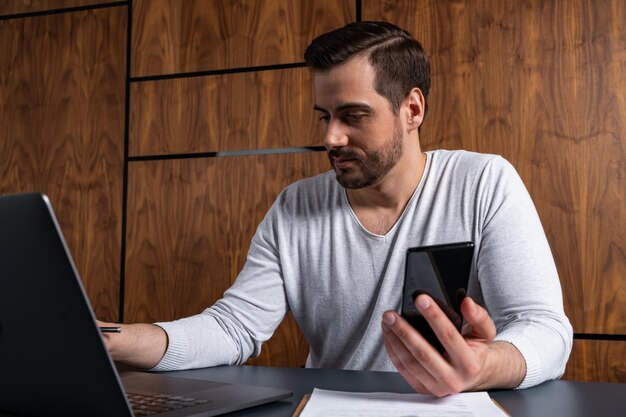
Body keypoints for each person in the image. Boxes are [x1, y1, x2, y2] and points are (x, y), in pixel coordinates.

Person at [101, 21, 572, 397]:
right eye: (325, 116)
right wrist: (110, 338)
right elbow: (233, 328)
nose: (330, 138)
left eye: (353, 115)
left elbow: (544, 329)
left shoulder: (483, 183)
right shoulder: (295, 206)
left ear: (412, 110)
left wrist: (483, 366)